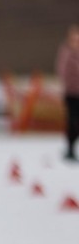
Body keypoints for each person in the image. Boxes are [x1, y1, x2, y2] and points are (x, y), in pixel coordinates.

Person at [56, 24, 79, 162]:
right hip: (71, 93)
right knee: (73, 121)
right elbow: (62, 71)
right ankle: (70, 148)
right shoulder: (66, 53)